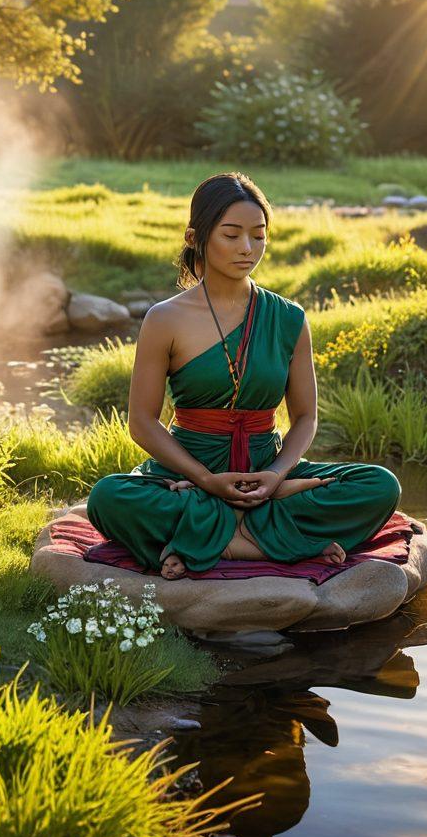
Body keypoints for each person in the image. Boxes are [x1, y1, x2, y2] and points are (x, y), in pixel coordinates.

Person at [85, 171, 402, 581]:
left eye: (259, 235)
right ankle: (254, 540)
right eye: (231, 235)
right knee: (108, 498)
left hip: (265, 465)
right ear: (195, 237)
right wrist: (205, 480)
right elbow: (142, 423)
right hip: (188, 470)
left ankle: (208, 536)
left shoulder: (289, 318)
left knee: (379, 485)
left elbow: (305, 418)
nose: (247, 248)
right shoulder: (165, 319)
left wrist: (276, 476)